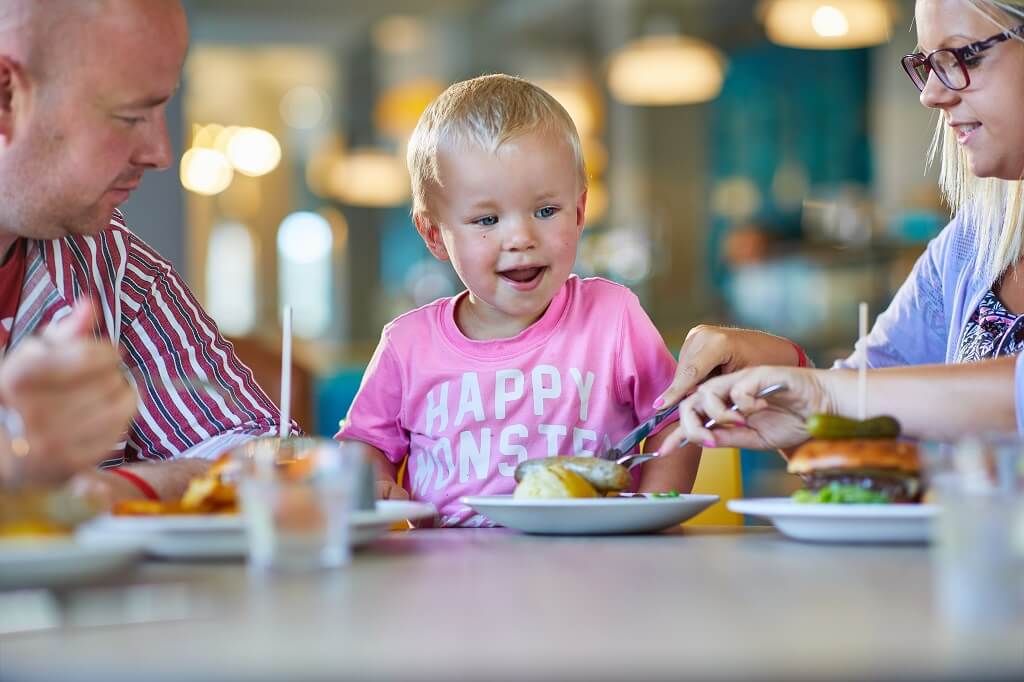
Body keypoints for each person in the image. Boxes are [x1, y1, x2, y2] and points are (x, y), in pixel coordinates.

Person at [657, 0, 1024, 451]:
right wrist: (783, 380)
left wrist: (829, 395)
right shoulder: (971, 245)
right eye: (928, 64)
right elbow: (872, 402)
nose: (930, 94)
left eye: (964, 55)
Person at [336, 75, 699, 527]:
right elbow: (365, 445)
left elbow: (676, 419)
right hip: (444, 575)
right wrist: (374, 482)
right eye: (487, 219)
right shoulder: (406, 343)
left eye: (546, 211)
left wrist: (651, 513)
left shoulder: (613, 317)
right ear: (434, 234)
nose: (521, 239)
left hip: (599, 564)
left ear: (580, 211)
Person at [0, 0, 287, 501]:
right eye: (130, 116)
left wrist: (99, 490)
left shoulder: (115, 263)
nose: (160, 153)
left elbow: (263, 456)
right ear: (6, 95)